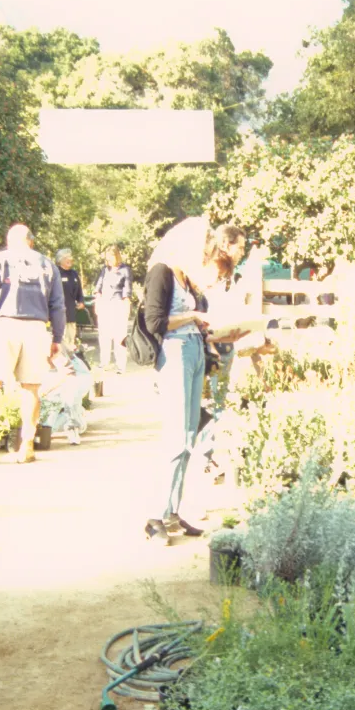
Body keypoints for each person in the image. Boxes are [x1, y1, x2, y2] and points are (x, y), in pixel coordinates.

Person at [142, 221, 246, 543]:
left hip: (194, 353)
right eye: (203, 248)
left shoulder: (186, 279)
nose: (205, 254)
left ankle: (172, 511)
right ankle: (155, 517)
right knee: (176, 437)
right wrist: (194, 317)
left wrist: (216, 332)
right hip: (174, 355)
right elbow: (154, 322)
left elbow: (201, 317)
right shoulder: (161, 272)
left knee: (189, 436)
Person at [0, 223, 65, 464]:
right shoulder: (48, 265)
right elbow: (58, 305)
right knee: (31, 388)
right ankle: (27, 444)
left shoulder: (0, 260)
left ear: (10, 241)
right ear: (31, 241)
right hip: (37, 327)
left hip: (6, 324)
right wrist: (58, 338)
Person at [92, 244, 133, 372]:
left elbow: (127, 291)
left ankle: (121, 365)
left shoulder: (125, 270)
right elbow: (98, 288)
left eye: (110, 258)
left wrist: (126, 308)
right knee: (104, 335)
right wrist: (97, 303)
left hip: (118, 304)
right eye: (106, 259)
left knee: (119, 336)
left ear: (116, 256)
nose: (108, 261)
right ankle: (104, 362)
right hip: (105, 305)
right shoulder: (104, 270)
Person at [55, 248, 85, 351]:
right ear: (60, 259)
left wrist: (81, 301)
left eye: (71, 258)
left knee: (71, 340)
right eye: (67, 258)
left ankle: (72, 363)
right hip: (59, 313)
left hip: (72, 313)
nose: (70, 260)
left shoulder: (74, 274)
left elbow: (79, 291)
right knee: (61, 342)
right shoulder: (56, 273)